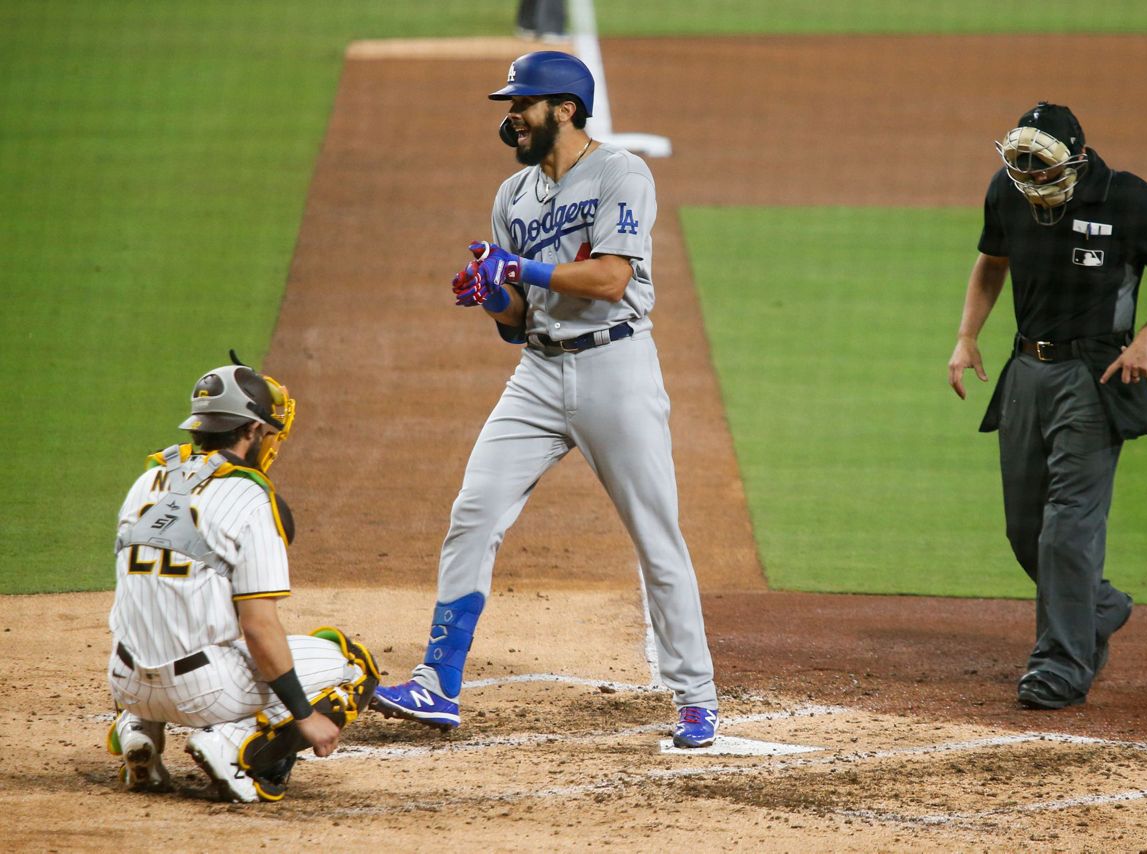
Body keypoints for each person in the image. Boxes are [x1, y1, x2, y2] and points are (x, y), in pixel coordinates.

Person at [372, 51, 720, 748]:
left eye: (521, 104)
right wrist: (491, 296)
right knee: (474, 511)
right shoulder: (513, 196)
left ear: (564, 107)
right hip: (537, 372)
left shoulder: (621, 173)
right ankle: (438, 682)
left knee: (655, 534)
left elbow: (612, 279)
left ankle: (697, 697)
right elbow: (518, 321)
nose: (510, 117)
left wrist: (519, 266)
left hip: (615, 365)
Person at [947, 102, 1147, 709]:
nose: (1032, 181)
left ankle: (1060, 666)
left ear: (1076, 159)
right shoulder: (1007, 191)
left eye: (1043, 170)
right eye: (1023, 170)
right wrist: (966, 336)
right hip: (1026, 374)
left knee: (1068, 525)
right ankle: (1100, 604)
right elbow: (992, 261)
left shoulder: (1127, 199)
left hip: (1096, 376)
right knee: (1026, 530)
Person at [105, 353, 380, 801]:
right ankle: (232, 746)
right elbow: (258, 626)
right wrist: (302, 713)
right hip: (201, 693)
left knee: (160, 606)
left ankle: (139, 731)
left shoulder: (147, 481)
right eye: (268, 432)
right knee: (353, 665)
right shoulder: (251, 499)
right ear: (251, 430)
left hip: (125, 682)